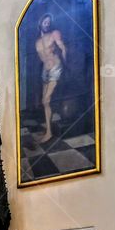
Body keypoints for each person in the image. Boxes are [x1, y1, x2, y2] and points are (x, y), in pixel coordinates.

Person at [34, 13, 67, 144]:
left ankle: (49, 133)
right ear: (40, 23)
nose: (47, 24)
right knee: (45, 102)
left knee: (46, 99)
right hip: (45, 71)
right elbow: (41, 58)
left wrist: (66, 64)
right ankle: (48, 129)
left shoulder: (54, 33)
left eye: (49, 22)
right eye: (45, 22)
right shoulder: (37, 41)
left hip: (55, 68)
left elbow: (63, 48)